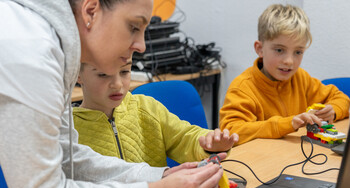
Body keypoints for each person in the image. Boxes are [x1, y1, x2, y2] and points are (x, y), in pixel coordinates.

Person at [0, 0, 227, 188]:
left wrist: (159, 177)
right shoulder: (31, 51)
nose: (141, 46)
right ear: (91, 11)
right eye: (133, 26)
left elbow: (68, 156)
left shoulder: (54, 46)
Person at [220, 4, 350, 145]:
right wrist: (287, 124)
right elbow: (232, 130)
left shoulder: (301, 78)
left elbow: (340, 98)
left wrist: (333, 111)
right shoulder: (243, 88)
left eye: (298, 52)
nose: (289, 61)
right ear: (260, 49)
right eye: (279, 50)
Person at [73, 63, 239, 167]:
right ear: (77, 74)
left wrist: (209, 143)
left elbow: (184, 136)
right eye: (103, 74)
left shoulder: (146, 107)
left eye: (124, 71)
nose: (117, 84)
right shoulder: (67, 130)